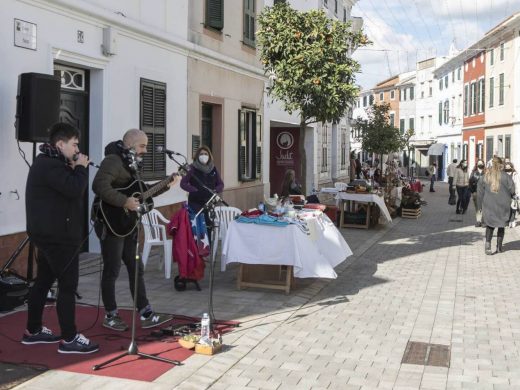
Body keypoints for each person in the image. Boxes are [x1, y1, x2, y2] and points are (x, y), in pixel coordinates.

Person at [23, 122, 99, 354]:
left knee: (43, 282)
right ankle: (69, 339)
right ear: (60, 144)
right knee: (67, 286)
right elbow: (75, 189)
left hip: (50, 233)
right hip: (58, 237)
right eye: (74, 144)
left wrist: (74, 165)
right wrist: (81, 167)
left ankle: (33, 331)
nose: (78, 149)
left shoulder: (50, 162)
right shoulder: (49, 165)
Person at [92, 129, 177, 331]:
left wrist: (166, 184)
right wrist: (124, 202)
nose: (145, 150)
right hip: (110, 223)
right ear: (129, 144)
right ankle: (111, 315)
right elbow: (99, 186)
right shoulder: (113, 161)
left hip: (128, 223)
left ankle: (146, 313)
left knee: (135, 269)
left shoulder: (133, 165)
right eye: (142, 146)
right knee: (112, 270)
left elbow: (139, 190)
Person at [180, 145, 224, 239]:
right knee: (196, 230)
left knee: (208, 227)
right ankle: (196, 251)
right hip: (195, 204)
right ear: (197, 156)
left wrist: (216, 190)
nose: (203, 156)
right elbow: (183, 183)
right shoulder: (191, 168)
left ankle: (207, 251)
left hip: (209, 204)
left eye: (205, 154)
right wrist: (194, 190)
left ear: (209, 156)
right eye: (201, 154)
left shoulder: (213, 169)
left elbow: (220, 184)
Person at [477, 157, 516, 255]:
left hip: (488, 205)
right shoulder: (506, 177)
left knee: (490, 226)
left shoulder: (485, 176)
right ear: (501, 164)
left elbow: (480, 193)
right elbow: (512, 190)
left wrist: (479, 207)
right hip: (503, 205)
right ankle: (499, 247)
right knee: (501, 226)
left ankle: (488, 245)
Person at [469, 160, 485, 227]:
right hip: (476, 192)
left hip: (485, 193)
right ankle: (478, 221)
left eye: (481, 163)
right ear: (477, 164)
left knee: (484, 207)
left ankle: (484, 221)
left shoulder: (486, 172)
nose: (480, 164)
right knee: (478, 208)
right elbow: (470, 182)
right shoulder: (474, 172)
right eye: (479, 163)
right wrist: (473, 192)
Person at [504, 162, 520, 228]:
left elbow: (517, 184)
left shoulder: (515, 174)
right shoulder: (503, 174)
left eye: (509, 167)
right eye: (506, 167)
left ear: (511, 167)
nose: (508, 168)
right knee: (506, 208)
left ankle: (512, 220)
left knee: (513, 207)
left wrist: (518, 194)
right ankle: (507, 221)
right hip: (505, 193)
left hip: (513, 193)